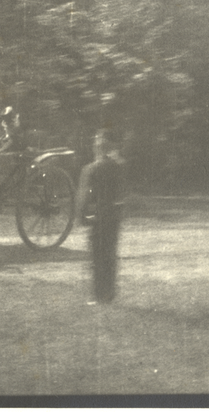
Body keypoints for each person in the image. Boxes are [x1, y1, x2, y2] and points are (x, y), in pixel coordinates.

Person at [78, 128, 126, 304]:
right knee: (110, 255)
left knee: (97, 257)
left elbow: (85, 195)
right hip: (112, 216)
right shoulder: (118, 166)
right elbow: (121, 193)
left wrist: (82, 216)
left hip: (98, 217)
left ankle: (99, 296)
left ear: (97, 148)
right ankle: (109, 294)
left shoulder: (91, 169)